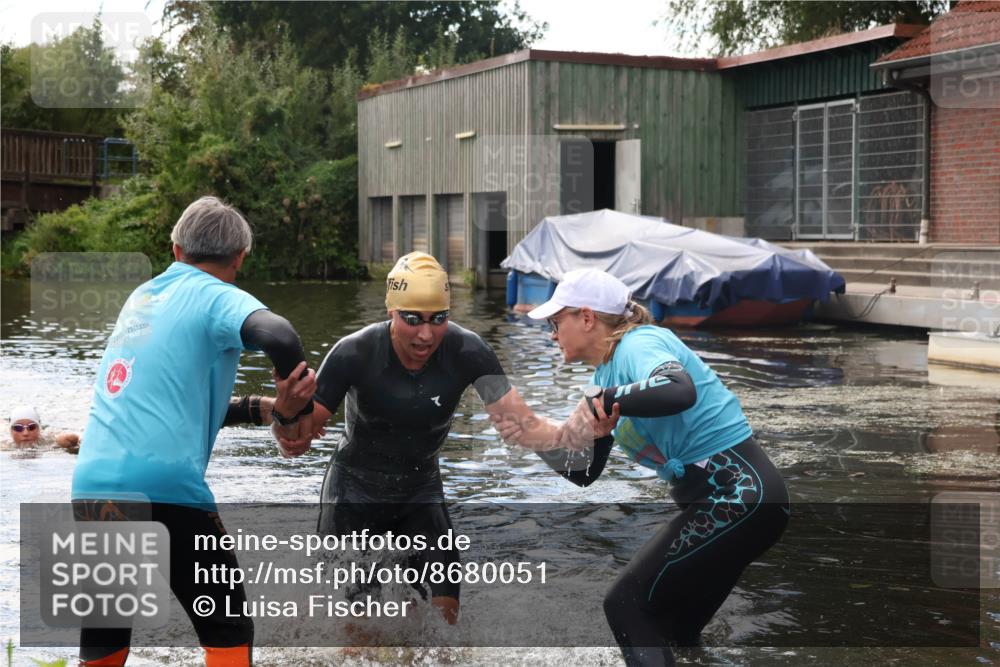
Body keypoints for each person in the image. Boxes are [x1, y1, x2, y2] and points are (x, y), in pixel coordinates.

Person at [493, 268, 789, 667]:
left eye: (555, 321)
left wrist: (600, 402)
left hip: (737, 496)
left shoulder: (639, 343)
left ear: (586, 317)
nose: (551, 334)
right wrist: (530, 437)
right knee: (675, 634)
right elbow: (583, 474)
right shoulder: (605, 377)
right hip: (737, 504)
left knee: (626, 605)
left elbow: (678, 388)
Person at [71, 196, 316, 667]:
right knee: (227, 627)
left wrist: (266, 409)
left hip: (92, 487)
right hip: (166, 488)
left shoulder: (141, 298)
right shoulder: (216, 294)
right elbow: (280, 335)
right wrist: (292, 416)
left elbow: (173, 404)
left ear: (176, 248)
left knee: (105, 632)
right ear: (239, 259)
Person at [297, 252, 565, 628]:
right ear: (392, 311)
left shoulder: (468, 351)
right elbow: (296, 439)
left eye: (438, 319)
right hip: (356, 495)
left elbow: (523, 423)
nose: (426, 334)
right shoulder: (353, 352)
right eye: (413, 319)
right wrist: (284, 413)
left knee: (441, 624)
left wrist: (582, 429)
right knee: (360, 633)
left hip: (420, 493)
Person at [4, 405, 80, 453]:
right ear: (10, 430)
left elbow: (75, 438)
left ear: (39, 429)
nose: (25, 433)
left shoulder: (50, 439)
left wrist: (71, 441)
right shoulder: (4, 444)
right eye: (18, 428)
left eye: (32, 427)